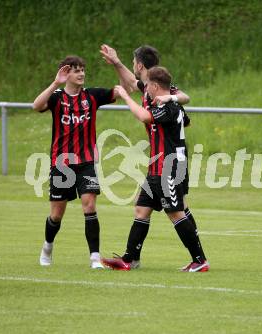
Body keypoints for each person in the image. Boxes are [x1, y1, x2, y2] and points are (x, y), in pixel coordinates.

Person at [99, 44, 206, 268]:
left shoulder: (164, 95)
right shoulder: (151, 87)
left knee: (176, 211)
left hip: (170, 162)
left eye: (132, 62)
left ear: (139, 64)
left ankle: (199, 260)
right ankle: (130, 259)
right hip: (157, 162)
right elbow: (131, 83)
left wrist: (169, 100)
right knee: (142, 208)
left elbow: (176, 102)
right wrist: (117, 63)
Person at [33, 56, 118, 268]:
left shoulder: (92, 96)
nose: (81, 74)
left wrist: (117, 65)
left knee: (89, 206)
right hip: (61, 164)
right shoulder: (57, 97)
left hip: (86, 161)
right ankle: (47, 247)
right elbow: (36, 106)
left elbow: (122, 90)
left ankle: (95, 257)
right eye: (76, 70)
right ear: (66, 74)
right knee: (56, 214)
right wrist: (56, 83)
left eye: (82, 70)